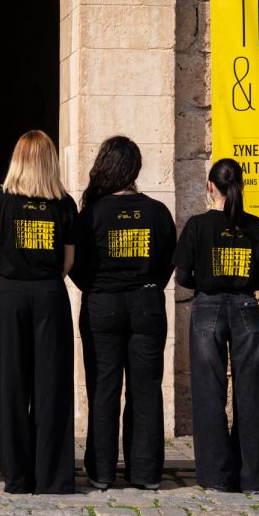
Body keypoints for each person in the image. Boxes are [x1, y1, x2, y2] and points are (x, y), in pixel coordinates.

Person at [0, 130, 78, 495]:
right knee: (52, 384)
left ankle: (17, 474)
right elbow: (68, 262)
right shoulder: (64, 204)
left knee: (10, 383)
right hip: (50, 293)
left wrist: (13, 282)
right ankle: (52, 475)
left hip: (11, 293)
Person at [73, 136, 175, 490]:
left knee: (103, 387)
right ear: (135, 169)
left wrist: (98, 287)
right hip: (146, 301)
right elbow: (168, 261)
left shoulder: (92, 214)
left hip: (103, 304)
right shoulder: (157, 212)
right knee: (146, 389)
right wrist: (146, 285)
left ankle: (101, 472)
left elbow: (76, 265)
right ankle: (145, 472)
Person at [175, 158, 259, 493]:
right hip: (246, 306)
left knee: (209, 391)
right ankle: (251, 477)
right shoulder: (258, 227)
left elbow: (183, 275)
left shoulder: (198, 226)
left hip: (207, 306)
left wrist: (210, 281)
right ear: (241, 186)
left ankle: (216, 475)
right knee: (252, 391)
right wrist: (239, 283)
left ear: (210, 187)